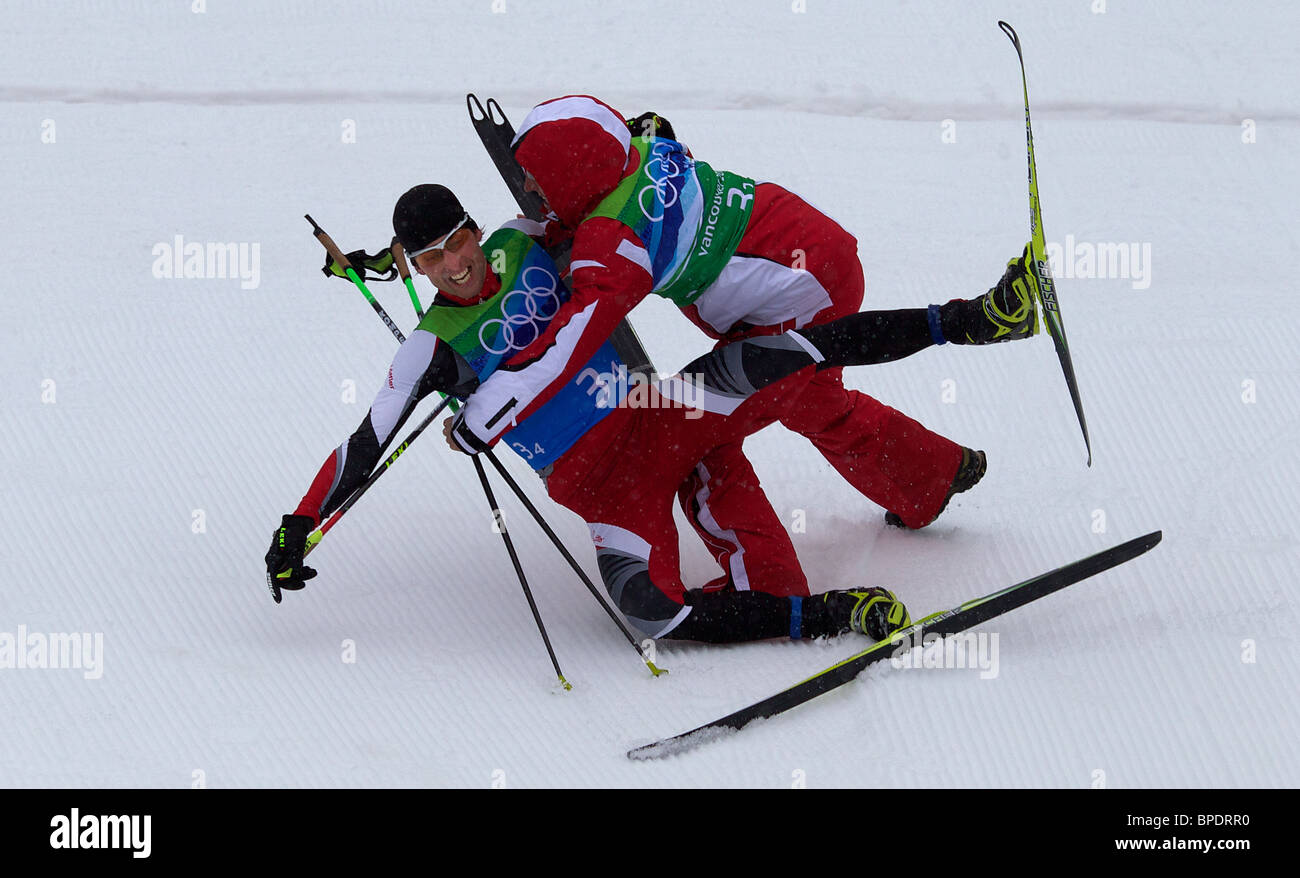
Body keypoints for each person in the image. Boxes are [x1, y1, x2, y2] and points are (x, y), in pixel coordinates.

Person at [266, 183, 1041, 645]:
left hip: (651, 408)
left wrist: (643, 138)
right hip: (602, 488)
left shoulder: (526, 239)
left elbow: (596, 199)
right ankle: (826, 615)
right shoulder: (429, 349)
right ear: (415, 266)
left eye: (456, 241)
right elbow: (362, 446)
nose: (455, 264)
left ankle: (972, 318)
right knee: (649, 614)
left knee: (777, 355)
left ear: (473, 228)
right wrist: (300, 527)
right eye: (430, 258)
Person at [448, 97, 1033, 607]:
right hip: (813, 246)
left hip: (798, 297)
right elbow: (634, 153)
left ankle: (767, 587)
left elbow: (580, 325)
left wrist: (499, 397)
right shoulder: (641, 147)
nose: (528, 187)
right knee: (811, 401)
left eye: (535, 175)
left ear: (572, 173)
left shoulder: (611, 242)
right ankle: (930, 476)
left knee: (691, 428)